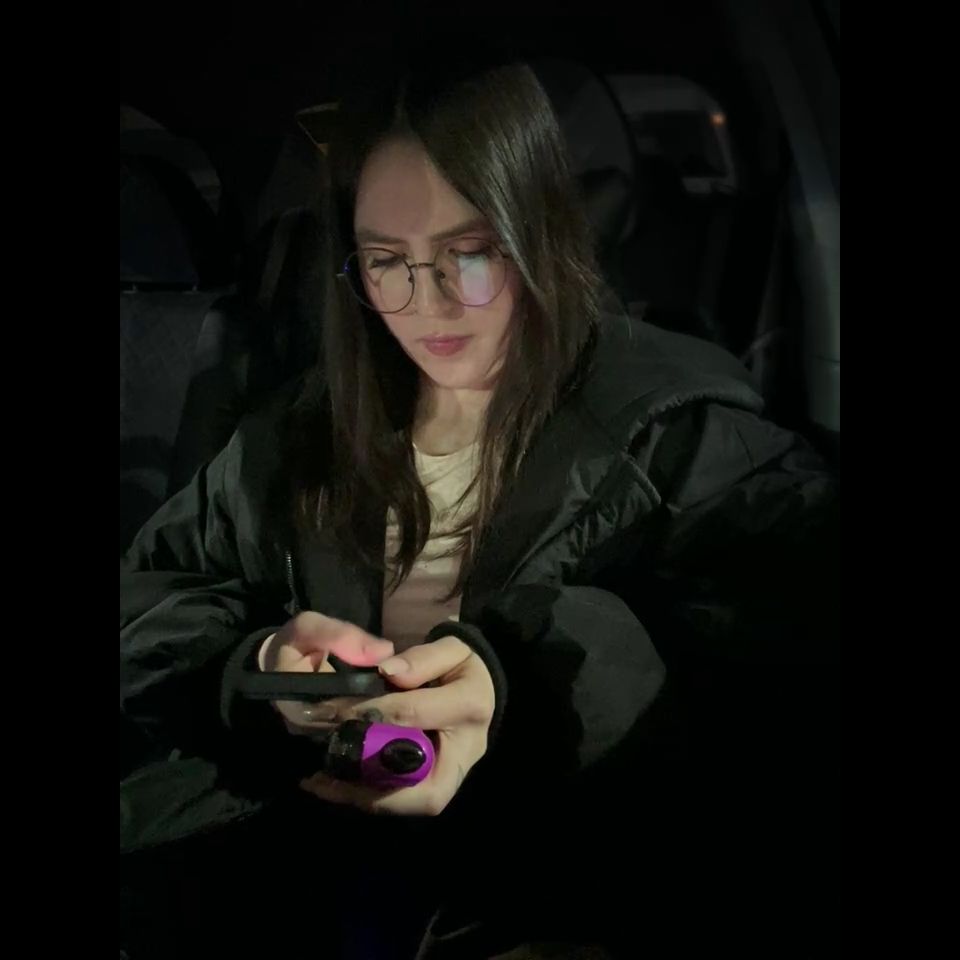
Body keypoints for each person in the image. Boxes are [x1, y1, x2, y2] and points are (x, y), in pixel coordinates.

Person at [120, 55, 839, 959]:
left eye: (469, 253)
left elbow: (782, 657)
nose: (429, 305)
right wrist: (258, 666)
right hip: (319, 869)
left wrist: (520, 683)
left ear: (536, 232)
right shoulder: (296, 436)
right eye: (388, 262)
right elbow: (151, 594)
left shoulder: (674, 431)